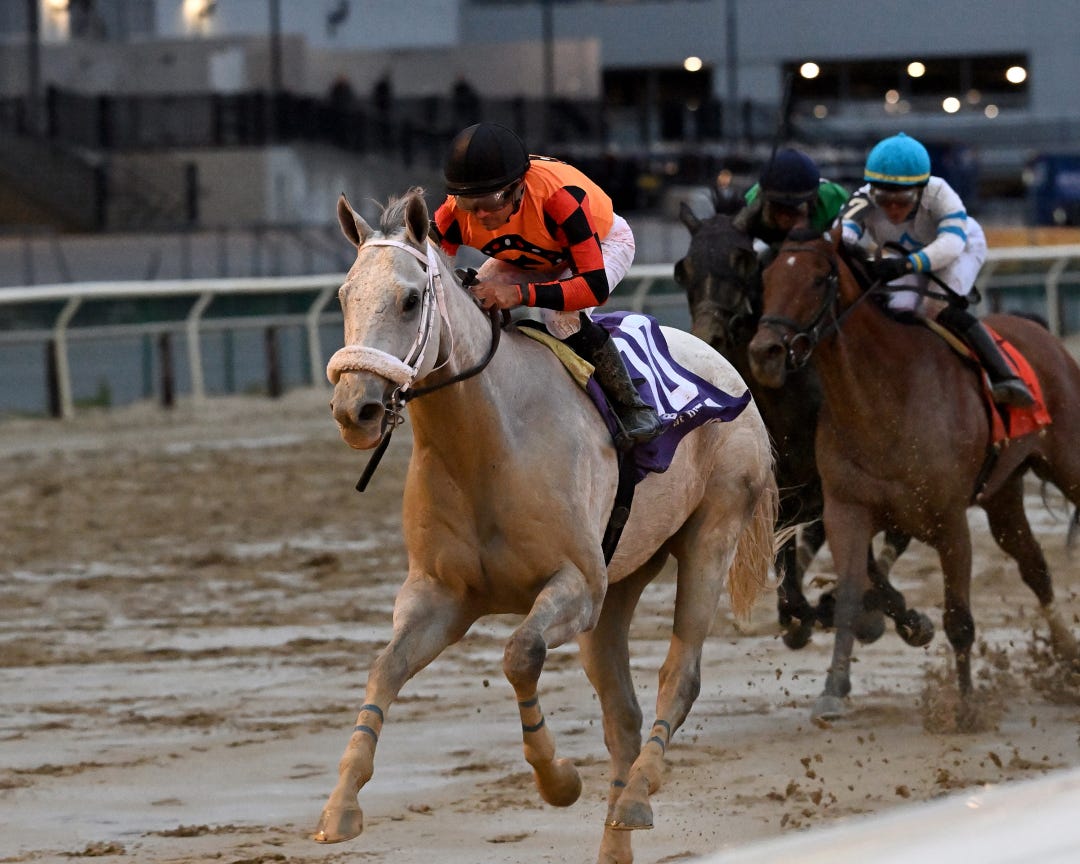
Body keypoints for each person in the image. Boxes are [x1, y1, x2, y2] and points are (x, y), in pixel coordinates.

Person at [431, 122, 664, 449]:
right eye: (469, 202)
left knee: (560, 318)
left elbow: (593, 288)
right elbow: (429, 275)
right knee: (476, 302)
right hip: (532, 254)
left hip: (602, 243)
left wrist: (518, 294)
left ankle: (631, 406)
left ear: (518, 188)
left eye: (490, 201)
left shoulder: (559, 199)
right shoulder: (452, 213)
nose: (480, 214)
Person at [840, 132, 1033, 407]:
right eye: (883, 199)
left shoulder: (941, 194)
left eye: (902, 200)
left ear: (920, 191)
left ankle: (1004, 375)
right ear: (872, 192)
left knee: (935, 309)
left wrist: (906, 264)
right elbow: (840, 236)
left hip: (960, 249)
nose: (892, 209)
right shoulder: (862, 199)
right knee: (895, 310)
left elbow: (951, 244)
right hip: (906, 256)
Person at [733, 148, 849, 261]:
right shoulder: (751, 203)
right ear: (766, 202)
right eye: (779, 207)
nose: (786, 217)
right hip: (769, 245)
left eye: (794, 208)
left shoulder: (835, 199)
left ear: (812, 200)